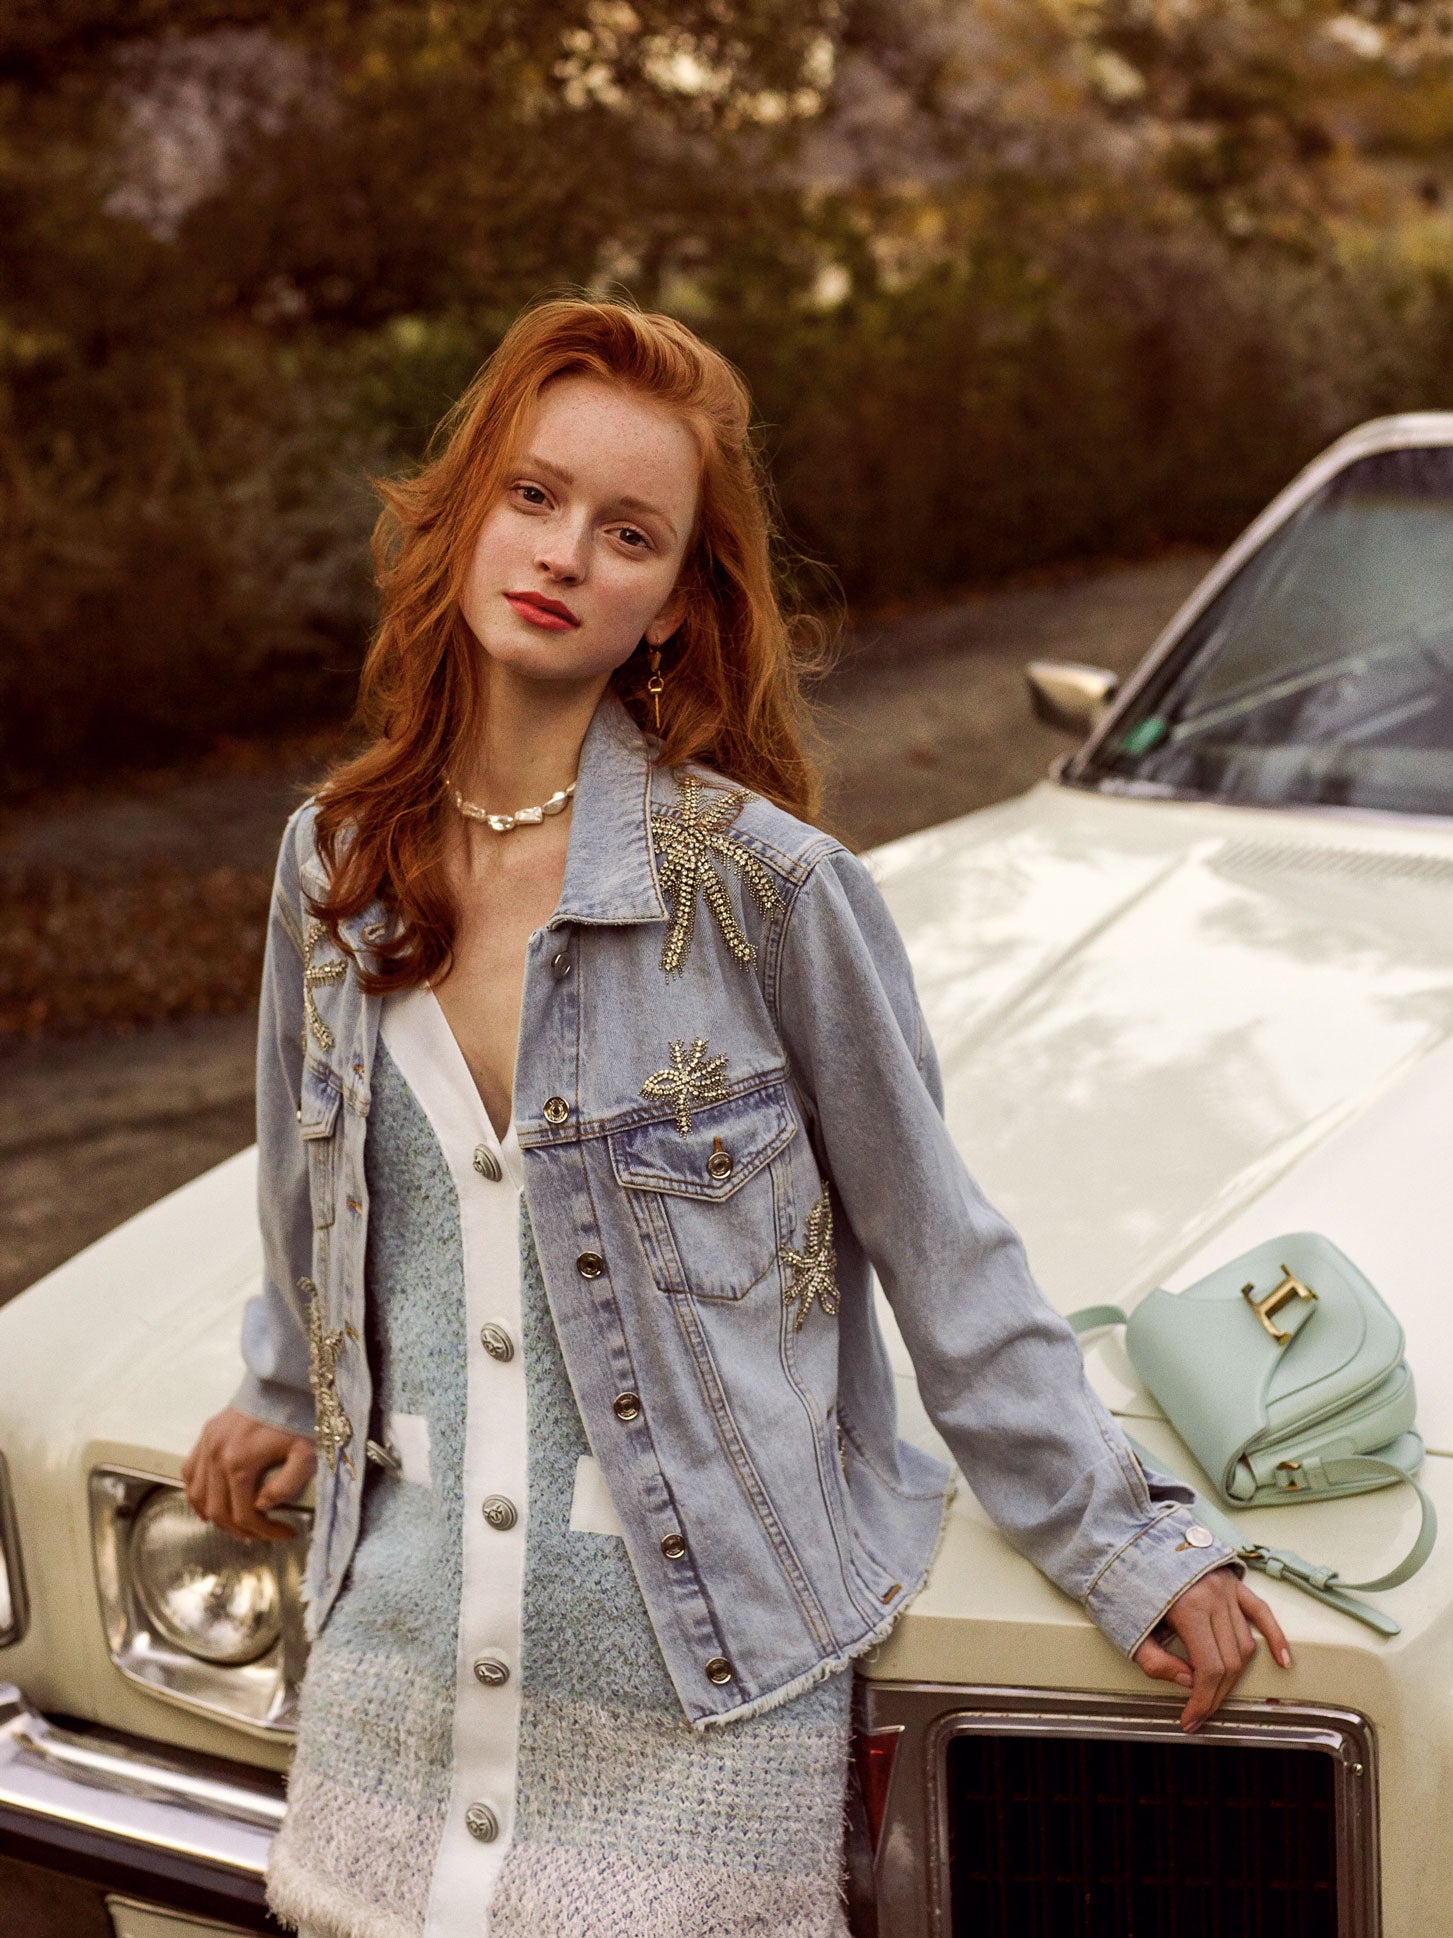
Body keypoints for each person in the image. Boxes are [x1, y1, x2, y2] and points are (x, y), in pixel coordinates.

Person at [182, 295, 1290, 1938]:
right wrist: (284, 1381)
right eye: (534, 494)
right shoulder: (329, 863)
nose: (564, 551)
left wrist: (1129, 1545)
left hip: (698, 1693)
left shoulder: (770, 894)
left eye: (629, 532)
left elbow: (942, 1249)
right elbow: (311, 1184)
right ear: (464, 509)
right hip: (395, 1674)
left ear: (671, 611)